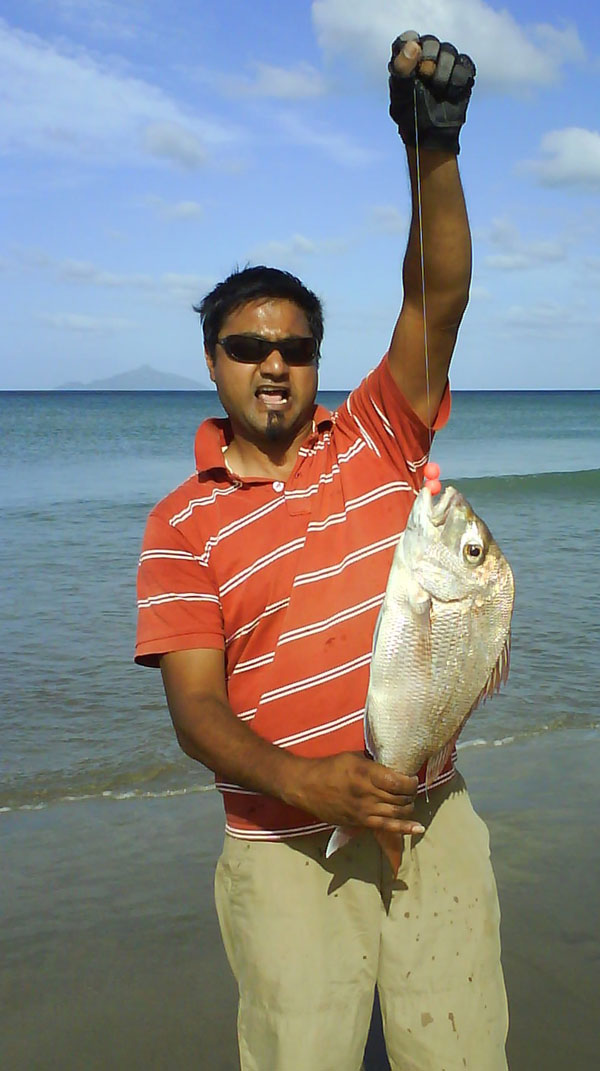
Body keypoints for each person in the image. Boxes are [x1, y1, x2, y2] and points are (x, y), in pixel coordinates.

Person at [135, 31, 508, 1071]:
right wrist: (311, 786)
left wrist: (430, 145)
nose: (273, 365)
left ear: (317, 363)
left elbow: (437, 300)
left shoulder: (381, 437)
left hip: (432, 815)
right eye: (248, 347)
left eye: (294, 348)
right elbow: (197, 714)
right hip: (280, 848)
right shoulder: (180, 523)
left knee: (462, 1055)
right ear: (213, 361)